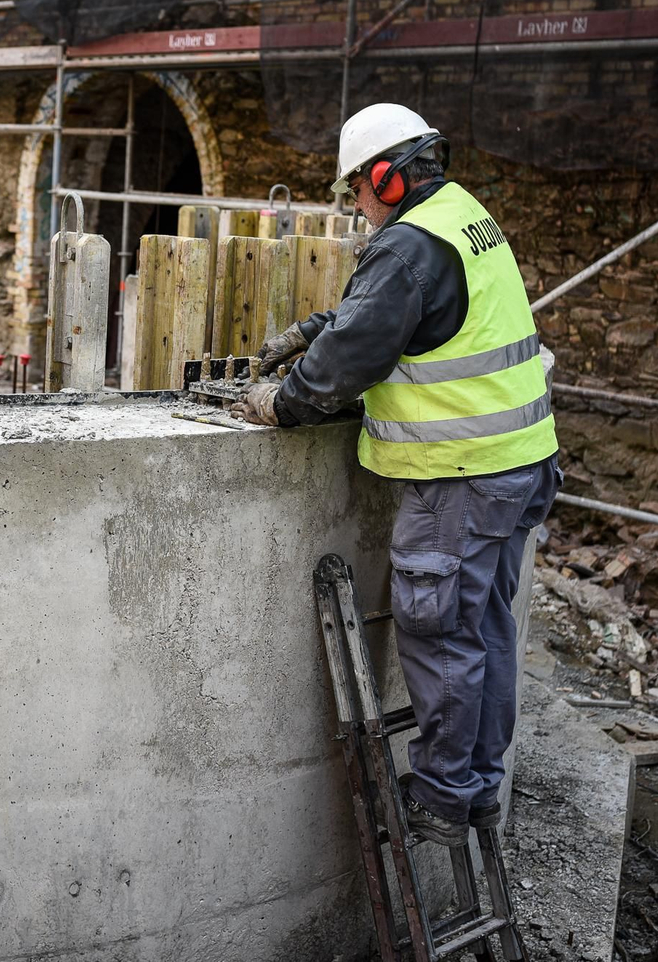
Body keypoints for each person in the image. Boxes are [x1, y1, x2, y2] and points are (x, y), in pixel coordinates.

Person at [230, 103, 561, 846]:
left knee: (441, 633)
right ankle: (477, 787)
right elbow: (397, 308)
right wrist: (314, 329)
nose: (354, 203)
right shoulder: (461, 214)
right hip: (518, 465)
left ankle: (443, 798)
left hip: (460, 477)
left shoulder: (411, 244)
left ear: (385, 174)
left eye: (357, 187)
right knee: (487, 630)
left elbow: (352, 360)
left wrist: (281, 404)